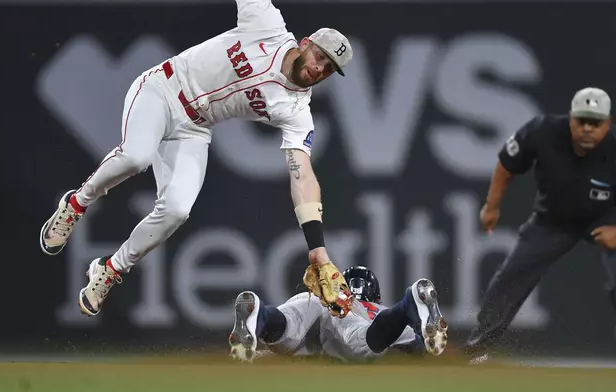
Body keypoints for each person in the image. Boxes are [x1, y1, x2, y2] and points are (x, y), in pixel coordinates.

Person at [38, 0, 353, 317]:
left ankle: (109, 270)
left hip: (195, 129)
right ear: (305, 43)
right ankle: (76, 204)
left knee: (176, 210)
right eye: (319, 57)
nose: (319, 69)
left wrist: (318, 249)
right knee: (136, 157)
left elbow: (303, 176)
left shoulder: (297, 112)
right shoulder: (266, 23)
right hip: (162, 89)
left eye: (329, 69)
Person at [461, 87, 616, 363]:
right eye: (582, 120)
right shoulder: (543, 131)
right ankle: (477, 348)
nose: (588, 128)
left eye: (596, 122)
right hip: (552, 220)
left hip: (605, 219)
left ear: (609, 123)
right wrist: (492, 206)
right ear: (570, 118)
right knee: (511, 277)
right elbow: (506, 164)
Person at [228, 266, 449, 362]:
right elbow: (420, 350)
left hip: (314, 299)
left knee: (281, 327)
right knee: (366, 344)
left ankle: (259, 314)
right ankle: (407, 304)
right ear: (377, 297)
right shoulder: (377, 310)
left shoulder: (325, 296)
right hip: (351, 318)